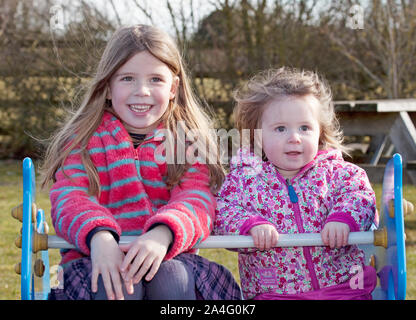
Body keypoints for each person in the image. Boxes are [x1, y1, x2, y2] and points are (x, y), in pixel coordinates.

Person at [41, 24, 241, 300]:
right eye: (127, 79)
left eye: (156, 80)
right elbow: (70, 195)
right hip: (92, 263)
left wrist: (162, 234)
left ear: (174, 87)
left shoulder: (186, 143)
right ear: (108, 87)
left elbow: (197, 198)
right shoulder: (83, 140)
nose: (142, 91)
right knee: (121, 287)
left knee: (170, 279)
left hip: (172, 261)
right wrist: (99, 237)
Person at [214, 67, 378, 300]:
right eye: (281, 128)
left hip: (343, 287)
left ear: (320, 132)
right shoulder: (244, 180)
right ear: (257, 135)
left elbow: (359, 195)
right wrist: (250, 225)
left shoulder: (337, 174)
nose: (294, 137)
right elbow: (221, 210)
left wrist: (343, 218)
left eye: (305, 128)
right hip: (274, 293)